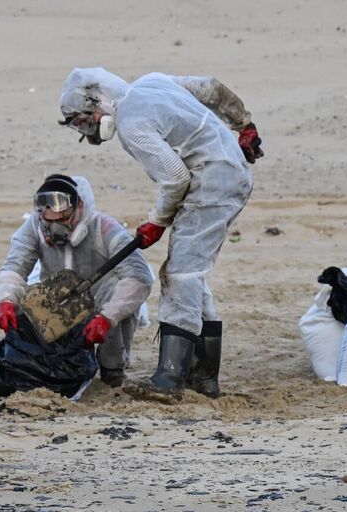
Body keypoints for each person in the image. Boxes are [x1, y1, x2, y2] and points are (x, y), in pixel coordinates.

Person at [58, 68, 261, 397]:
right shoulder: (153, 82)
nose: (89, 130)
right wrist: (245, 126)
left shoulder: (130, 125)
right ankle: (203, 377)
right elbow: (211, 88)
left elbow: (176, 177)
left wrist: (157, 221)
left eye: (84, 121)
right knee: (192, 273)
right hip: (228, 173)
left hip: (212, 183)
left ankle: (170, 379)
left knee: (181, 274)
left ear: (96, 103)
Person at [0, 174, 154, 386]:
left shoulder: (104, 229)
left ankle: (112, 371)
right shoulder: (33, 227)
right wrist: (5, 301)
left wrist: (107, 317)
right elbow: (15, 268)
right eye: (49, 222)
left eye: (63, 220)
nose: (55, 228)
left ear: (80, 207)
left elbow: (139, 277)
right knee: (21, 305)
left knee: (116, 291)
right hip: (58, 302)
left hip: (101, 302)